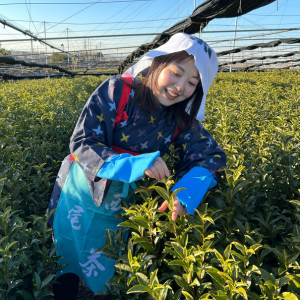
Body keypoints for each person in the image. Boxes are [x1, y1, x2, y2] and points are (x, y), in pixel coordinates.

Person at [47, 33, 226, 299]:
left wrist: (186, 191)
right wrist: (136, 164)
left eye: (191, 82)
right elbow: (83, 142)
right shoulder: (116, 91)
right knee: (65, 260)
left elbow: (210, 156)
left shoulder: (180, 119)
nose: (179, 87)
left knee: (111, 267)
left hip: (121, 206)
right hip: (80, 194)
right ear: (157, 64)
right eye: (175, 73)